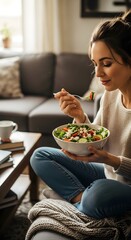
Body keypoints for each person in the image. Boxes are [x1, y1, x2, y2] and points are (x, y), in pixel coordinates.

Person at [30, 10, 131, 219]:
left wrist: (112, 160)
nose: (99, 73)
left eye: (107, 63)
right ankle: (80, 198)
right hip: (107, 174)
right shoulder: (108, 97)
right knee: (40, 155)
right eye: (95, 64)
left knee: (99, 195)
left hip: (124, 184)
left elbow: (107, 156)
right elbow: (97, 140)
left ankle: (80, 201)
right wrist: (79, 117)